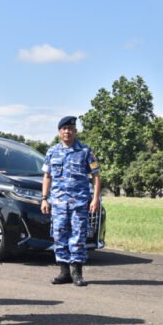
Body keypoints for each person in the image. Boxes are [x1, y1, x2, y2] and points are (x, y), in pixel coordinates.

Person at [41, 116, 101, 287]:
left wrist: (95, 199)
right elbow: (47, 177)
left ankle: (77, 273)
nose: (67, 131)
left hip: (79, 203)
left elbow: (96, 177)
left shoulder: (85, 151)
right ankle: (64, 272)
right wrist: (44, 199)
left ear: (75, 131)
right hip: (58, 203)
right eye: (64, 128)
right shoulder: (52, 152)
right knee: (59, 236)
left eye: (70, 128)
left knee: (78, 236)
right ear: (59, 132)